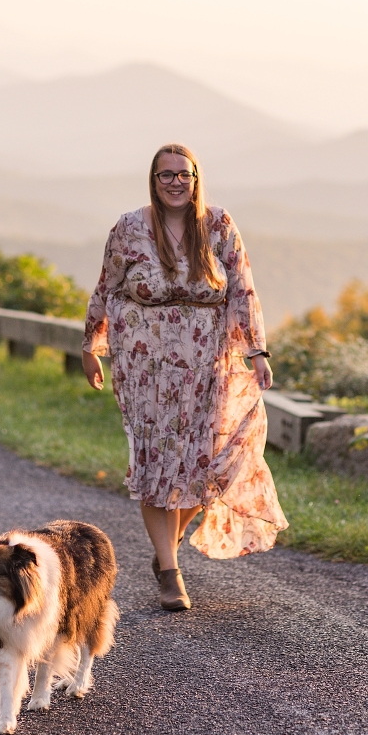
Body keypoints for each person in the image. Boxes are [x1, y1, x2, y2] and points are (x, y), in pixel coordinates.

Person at [82, 143, 288, 611]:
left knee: (209, 462)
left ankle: (164, 549)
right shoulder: (130, 228)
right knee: (156, 464)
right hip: (145, 368)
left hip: (206, 367)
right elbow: (106, 287)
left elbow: (242, 288)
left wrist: (257, 350)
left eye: (184, 174)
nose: (175, 182)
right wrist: (90, 345)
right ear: (153, 181)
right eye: (166, 175)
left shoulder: (217, 225)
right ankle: (170, 572)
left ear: (196, 179)